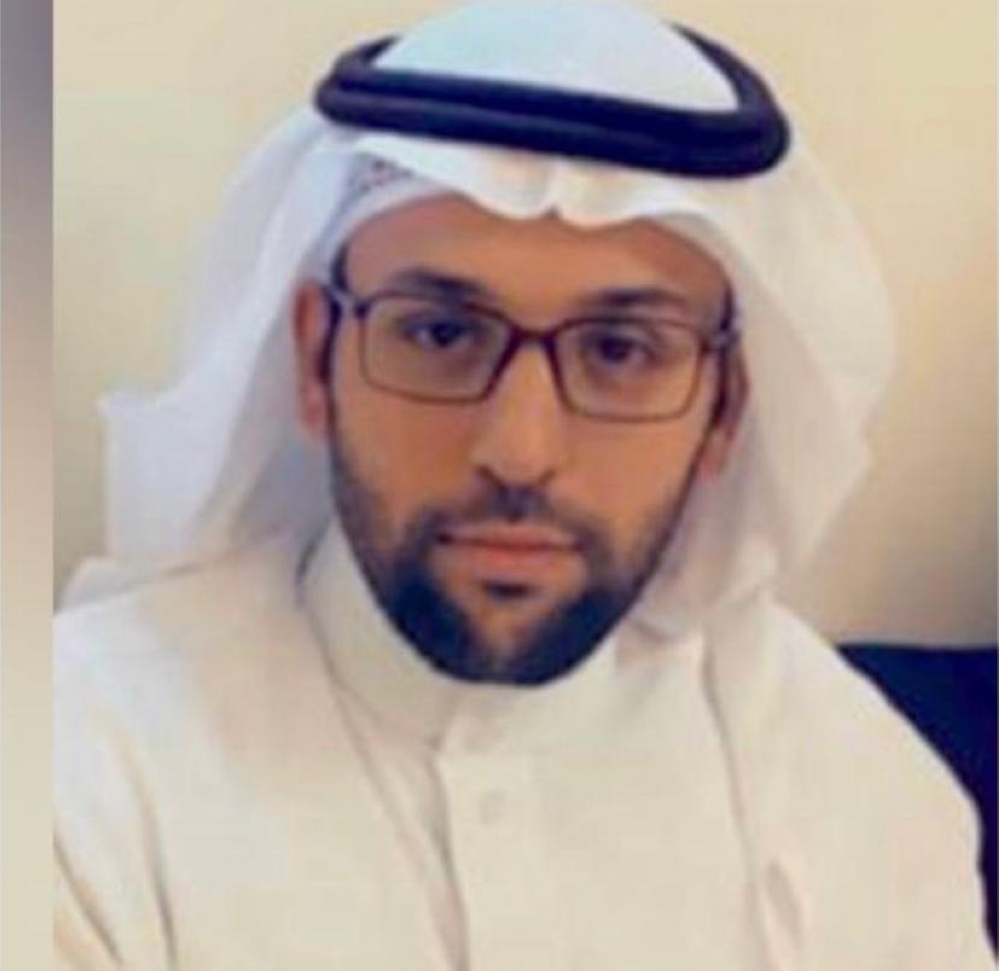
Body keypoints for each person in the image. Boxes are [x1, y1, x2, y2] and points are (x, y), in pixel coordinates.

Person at [54, 1, 994, 967]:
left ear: (724, 408)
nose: (520, 449)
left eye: (621, 350)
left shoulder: (859, 795)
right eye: (440, 333)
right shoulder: (76, 766)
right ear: (315, 356)